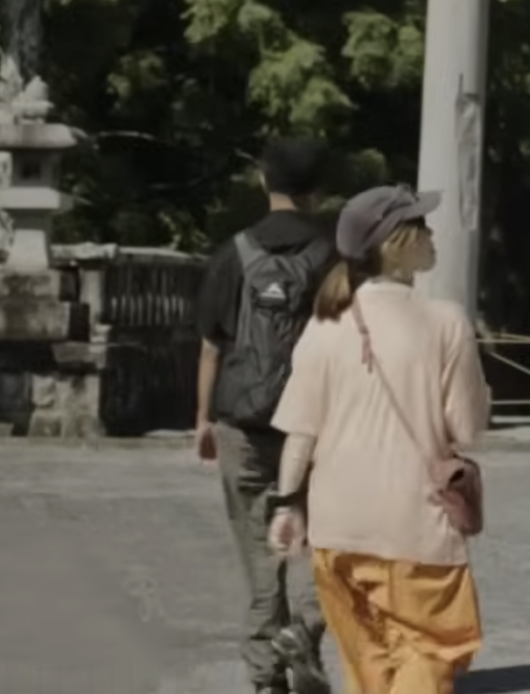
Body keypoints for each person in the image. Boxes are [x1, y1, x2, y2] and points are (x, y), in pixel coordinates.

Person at [267, 184, 492, 694]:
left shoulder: (324, 325)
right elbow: (466, 429)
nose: (432, 234)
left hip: (336, 528)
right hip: (415, 526)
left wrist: (286, 506)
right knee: (425, 654)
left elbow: (301, 432)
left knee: (370, 667)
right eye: (421, 225)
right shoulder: (444, 321)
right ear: (395, 243)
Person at [196, 137, 338, 694]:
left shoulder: (232, 253)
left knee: (261, 555)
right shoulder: (335, 257)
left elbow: (211, 345)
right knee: (328, 544)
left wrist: (203, 419)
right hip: (318, 426)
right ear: (319, 192)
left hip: (242, 422)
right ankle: (302, 630)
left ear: (263, 181)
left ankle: (265, 679)